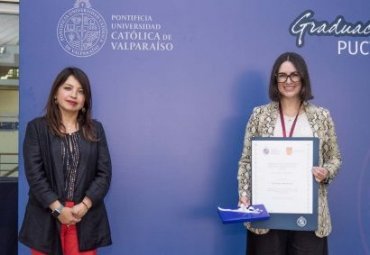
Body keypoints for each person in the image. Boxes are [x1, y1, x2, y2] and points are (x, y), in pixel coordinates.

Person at [237, 52, 341, 255]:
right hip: (266, 214)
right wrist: (244, 195)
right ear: (275, 80)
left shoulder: (322, 116)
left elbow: (334, 157)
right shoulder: (259, 115)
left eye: (294, 75)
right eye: (282, 75)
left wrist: (326, 172)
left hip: (309, 216)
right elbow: (247, 160)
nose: (288, 81)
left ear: (303, 78)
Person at [19, 67, 112, 255]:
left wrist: (84, 206)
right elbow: (35, 175)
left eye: (81, 91)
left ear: (85, 100)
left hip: (83, 216)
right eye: (68, 88)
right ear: (55, 93)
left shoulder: (96, 130)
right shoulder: (36, 128)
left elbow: (104, 174)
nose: (74, 95)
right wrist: (58, 209)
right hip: (46, 215)